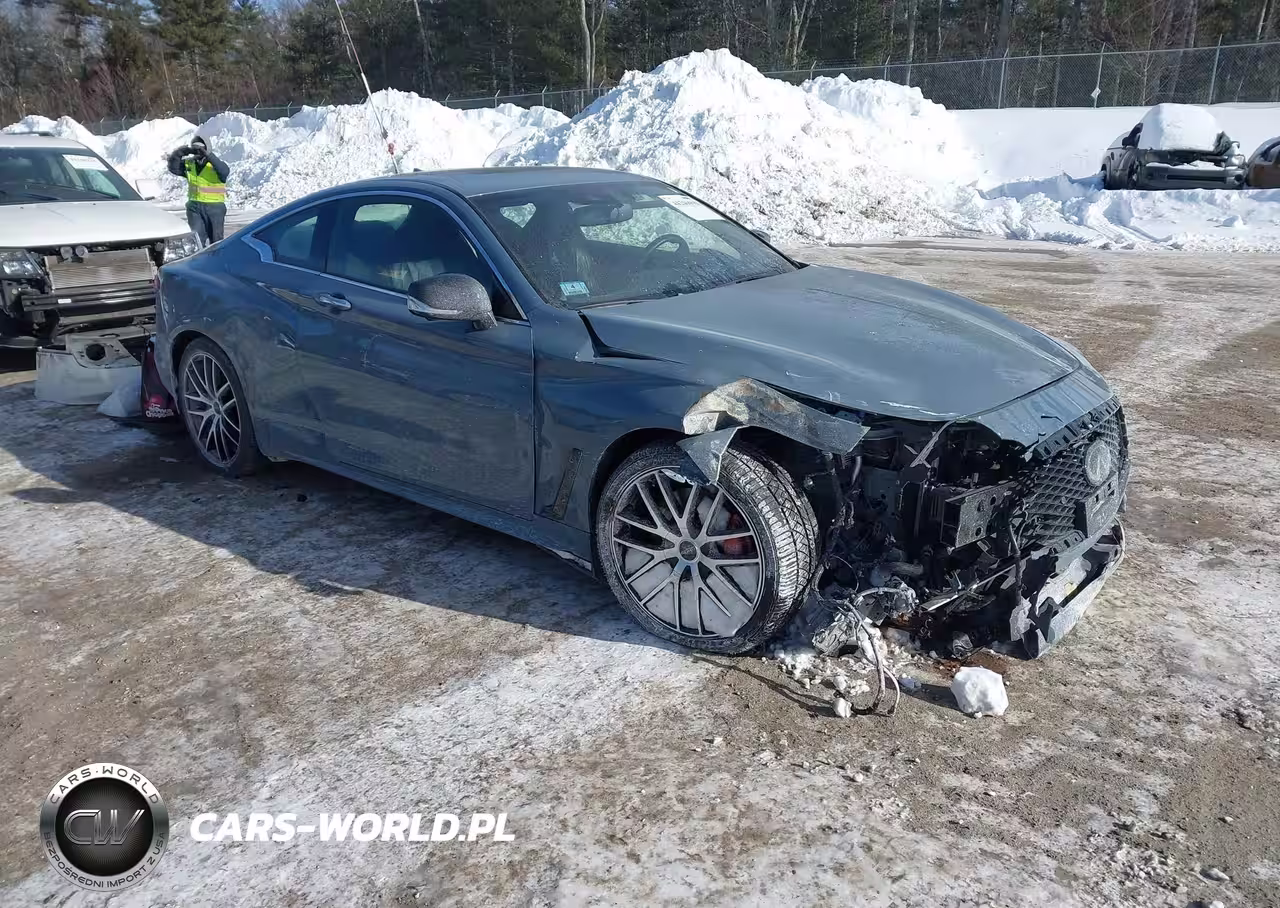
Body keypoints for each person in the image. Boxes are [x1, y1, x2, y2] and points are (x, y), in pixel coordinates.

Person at [167, 135, 229, 246]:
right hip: (194, 208)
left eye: (201, 149)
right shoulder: (190, 164)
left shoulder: (215, 165)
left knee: (217, 240)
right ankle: (199, 261)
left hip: (215, 208)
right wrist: (181, 152)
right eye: (196, 149)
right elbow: (173, 167)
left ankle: (215, 261)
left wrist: (208, 154)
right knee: (196, 240)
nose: (198, 152)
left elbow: (224, 171)